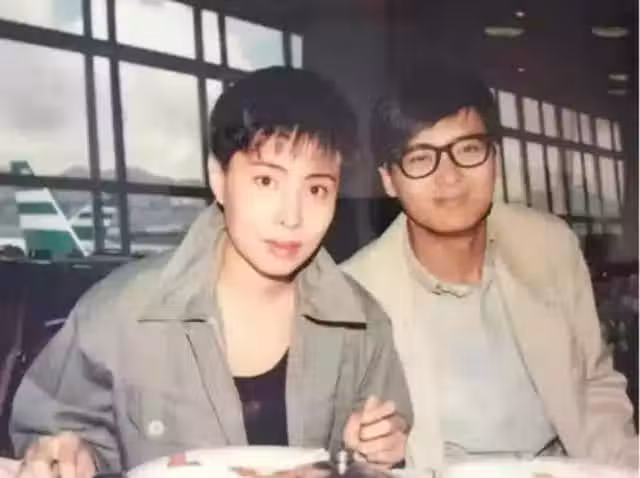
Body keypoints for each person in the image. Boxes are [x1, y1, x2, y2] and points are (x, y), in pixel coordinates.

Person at [11, 67, 412, 477]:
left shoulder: (363, 326)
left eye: (316, 189)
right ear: (218, 178)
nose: (291, 217)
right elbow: (56, 433)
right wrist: (70, 456)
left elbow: (377, 452)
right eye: (265, 181)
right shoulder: (119, 314)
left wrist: (373, 452)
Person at [342, 62, 638, 472]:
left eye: (468, 150)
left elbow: (594, 386)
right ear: (389, 180)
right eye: (420, 157)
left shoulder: (550, 246)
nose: (449, 177)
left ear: (495, 156)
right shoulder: (356, 291)